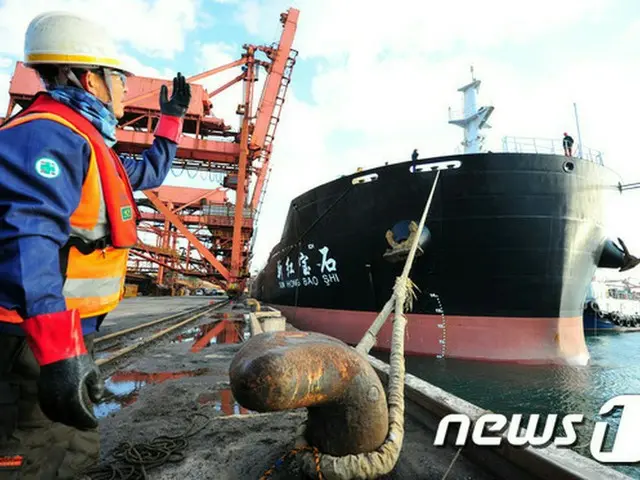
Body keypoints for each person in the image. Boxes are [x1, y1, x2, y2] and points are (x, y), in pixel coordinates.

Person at [0, 11, 191, 479]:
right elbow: (29, 237)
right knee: (28, 454)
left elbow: (147, 173)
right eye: (119, 79)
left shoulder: (86, 141)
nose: (126, 89)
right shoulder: (45, 135)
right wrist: (59, 351)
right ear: (91, 80)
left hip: (59, 335)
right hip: (28, 340)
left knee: (70, 444)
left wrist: (170, 122)